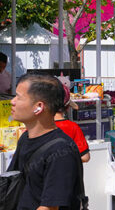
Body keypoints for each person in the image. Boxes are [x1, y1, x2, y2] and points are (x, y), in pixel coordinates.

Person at [9, 73, 84, 209]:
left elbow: (49, 207)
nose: (12, 101)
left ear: (39, 107)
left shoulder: (62, 152)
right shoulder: (25, 138)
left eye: (18, 97)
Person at [54, 82, 90, 163]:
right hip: (67, 173)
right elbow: (85, 157)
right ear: (67, 108)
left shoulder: (39, 126)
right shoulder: (72, 127)